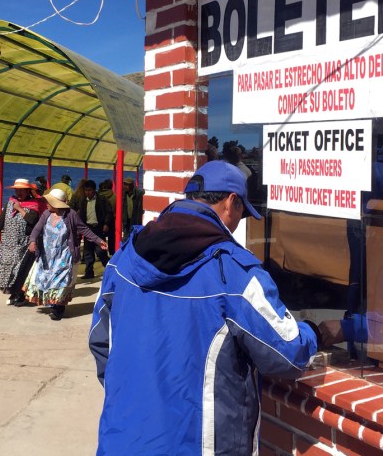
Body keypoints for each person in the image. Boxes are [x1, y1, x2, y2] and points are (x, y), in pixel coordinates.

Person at [89, 161, 319, 454]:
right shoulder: (236, 273)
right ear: (231, 202)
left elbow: (101, 341)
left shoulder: (124, 256)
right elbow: (288, 353)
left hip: (120, 440)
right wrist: (313, 331)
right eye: (241, 213)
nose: (237, 224)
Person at [26, 188, 107, 320]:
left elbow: (84, 229)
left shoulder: (71, 215)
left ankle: (58, 309)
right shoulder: (46, 214)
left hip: (65, 256)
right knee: (48, 281)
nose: (46, 204)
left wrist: (99, 241)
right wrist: (32, 241)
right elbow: (37, 229)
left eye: (49, 202)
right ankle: (54, 305)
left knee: (62, 283)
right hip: (47, 256)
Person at [0, 178, 44, 305]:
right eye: (17, 190)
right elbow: (3, 218)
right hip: (8, 243)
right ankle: (12, 292)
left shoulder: (34, 204)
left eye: (22, 191)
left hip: (24, 243)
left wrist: (20, 209)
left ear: (28, 191)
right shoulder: (11, 202)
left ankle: (21, 294)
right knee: (7, 268)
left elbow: (32, 221)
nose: (19, 193)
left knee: (20, 269)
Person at [75, 179, 113, 279]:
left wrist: (106, 224)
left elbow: (109, 212)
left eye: (90, 190)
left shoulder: (101, 199)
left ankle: (111, 270)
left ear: (94, 190)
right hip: (88, 228)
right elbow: (81, 214)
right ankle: (89, 272)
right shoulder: (83, 201)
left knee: (101, 251)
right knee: (88, 252)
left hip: (99, 228)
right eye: (86, 190)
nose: (88, 192)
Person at [98, 179, 117, 254]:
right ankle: (112, 252)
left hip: (100, 219)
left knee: (100, 237)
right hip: (112, 219)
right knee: (111, 237)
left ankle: (102, 253)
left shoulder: (99, 196)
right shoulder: (115, 196)